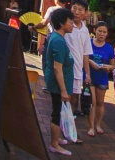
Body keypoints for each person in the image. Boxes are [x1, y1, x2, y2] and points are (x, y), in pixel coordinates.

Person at [43, 8, 75, 156]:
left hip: (59, 83)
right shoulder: (58, 41)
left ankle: (57, 139)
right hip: (57, 84)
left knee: (59, 111)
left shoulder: (58, 38)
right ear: (62, 23)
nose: (72, 25)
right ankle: (54, 144)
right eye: (70, 22)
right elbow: (57, 68)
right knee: (56, 112)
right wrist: (63, 90)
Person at [64, 0, 92, 121]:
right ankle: (63, 121)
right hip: (66, 68)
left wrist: (87, 74)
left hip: (78, 71)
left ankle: (69, 123)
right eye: (74, 8)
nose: (76, 11)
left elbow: (86, 54)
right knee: (65, 97)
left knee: (75, 97)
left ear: (85, 13)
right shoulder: (65, 25)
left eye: (80, 9)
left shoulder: (85, 30)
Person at [86, 21, 115, 137]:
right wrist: (90, 61)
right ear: (95, 31)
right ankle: (91, 127)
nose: (102, 34)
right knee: (91, 102)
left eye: (104, 32)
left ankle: (98, 124)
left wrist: (108, 67)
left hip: (102, 78)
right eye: (100, 31)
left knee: (100, 103)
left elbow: (113, 65)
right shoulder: (88, 43)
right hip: (89, 77)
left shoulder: (109, 48)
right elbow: (83, 57)